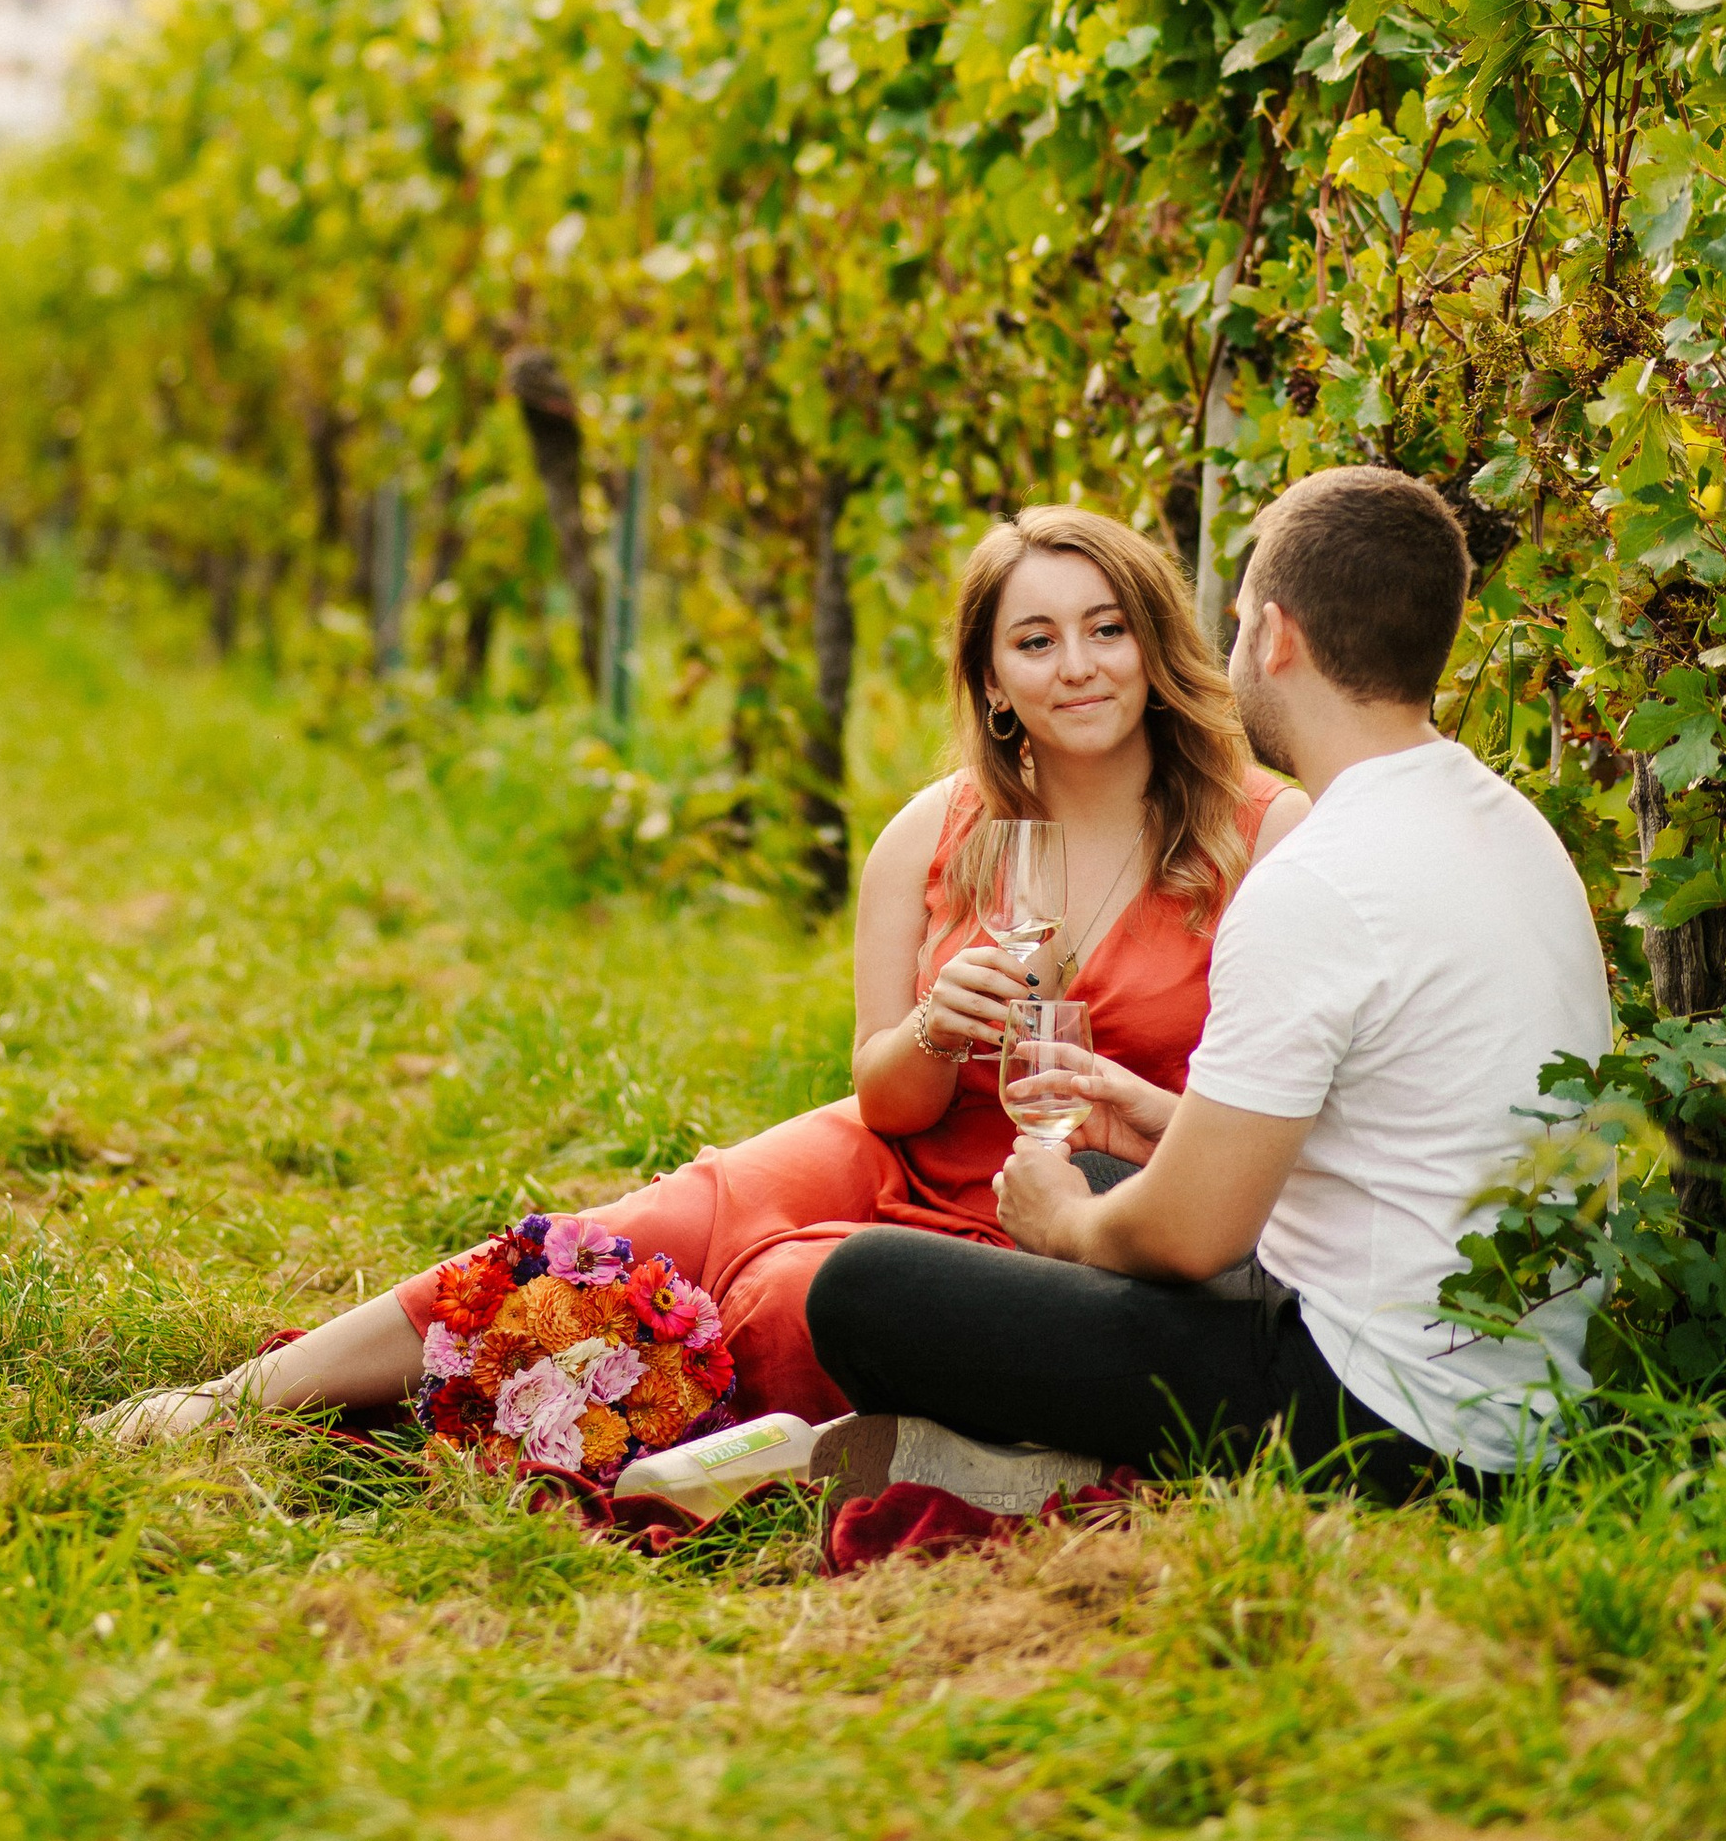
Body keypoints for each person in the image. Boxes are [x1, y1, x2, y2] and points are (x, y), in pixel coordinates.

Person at [88, 505, 1307, 1450]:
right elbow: (886, 1100)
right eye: (1034, 640)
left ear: (1155, 648)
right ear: (991, 683)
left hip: (1091, 1206)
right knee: (643, 1228)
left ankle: (534, 1412)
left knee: (782, 1302)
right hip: (904, 1154)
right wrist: (937, 1029)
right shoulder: (930, 837)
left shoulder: (1264, 836)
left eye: (1106, 628)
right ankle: (242, 1397)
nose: (1077, 665)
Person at [804, 465, 1615, 1502]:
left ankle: (1037, 1464)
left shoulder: (1310, 876)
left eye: (1232, 627)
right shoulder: (1504, 824)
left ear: (1273, 637)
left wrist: (1061, 1228)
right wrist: (1152, 1119)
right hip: (1513, 1385)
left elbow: (1190, 1239)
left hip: (1380, 1419)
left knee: (865, 1291)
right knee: (1104, 1180)